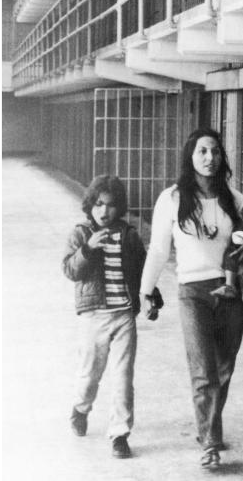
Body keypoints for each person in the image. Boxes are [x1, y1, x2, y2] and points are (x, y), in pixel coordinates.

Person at [139, 128, 243, 470]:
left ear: (222, 157)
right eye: (202, 151)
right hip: (193, 292)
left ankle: (209, 426)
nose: (209, 158)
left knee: (224, 368)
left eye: (215, 151)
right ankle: (210, 441)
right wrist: (146, 288)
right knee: (203, 370)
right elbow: (157, 248)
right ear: (190, 156)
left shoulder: (235, 198)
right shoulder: (172, 198)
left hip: (230, 291)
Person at [60, 174, 148, 460]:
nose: (104, 211)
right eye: (98, 204)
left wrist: (151, 295)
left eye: (111, 205)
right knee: (90, 373)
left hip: (123, 314)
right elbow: (70, 270)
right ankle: (80, 408)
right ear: (90, 205)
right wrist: (88, 250)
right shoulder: (81, 234)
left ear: (118, 207)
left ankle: (120, 434)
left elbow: (142, 270)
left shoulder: (129, 235)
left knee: (123, 376)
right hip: (93, 315)